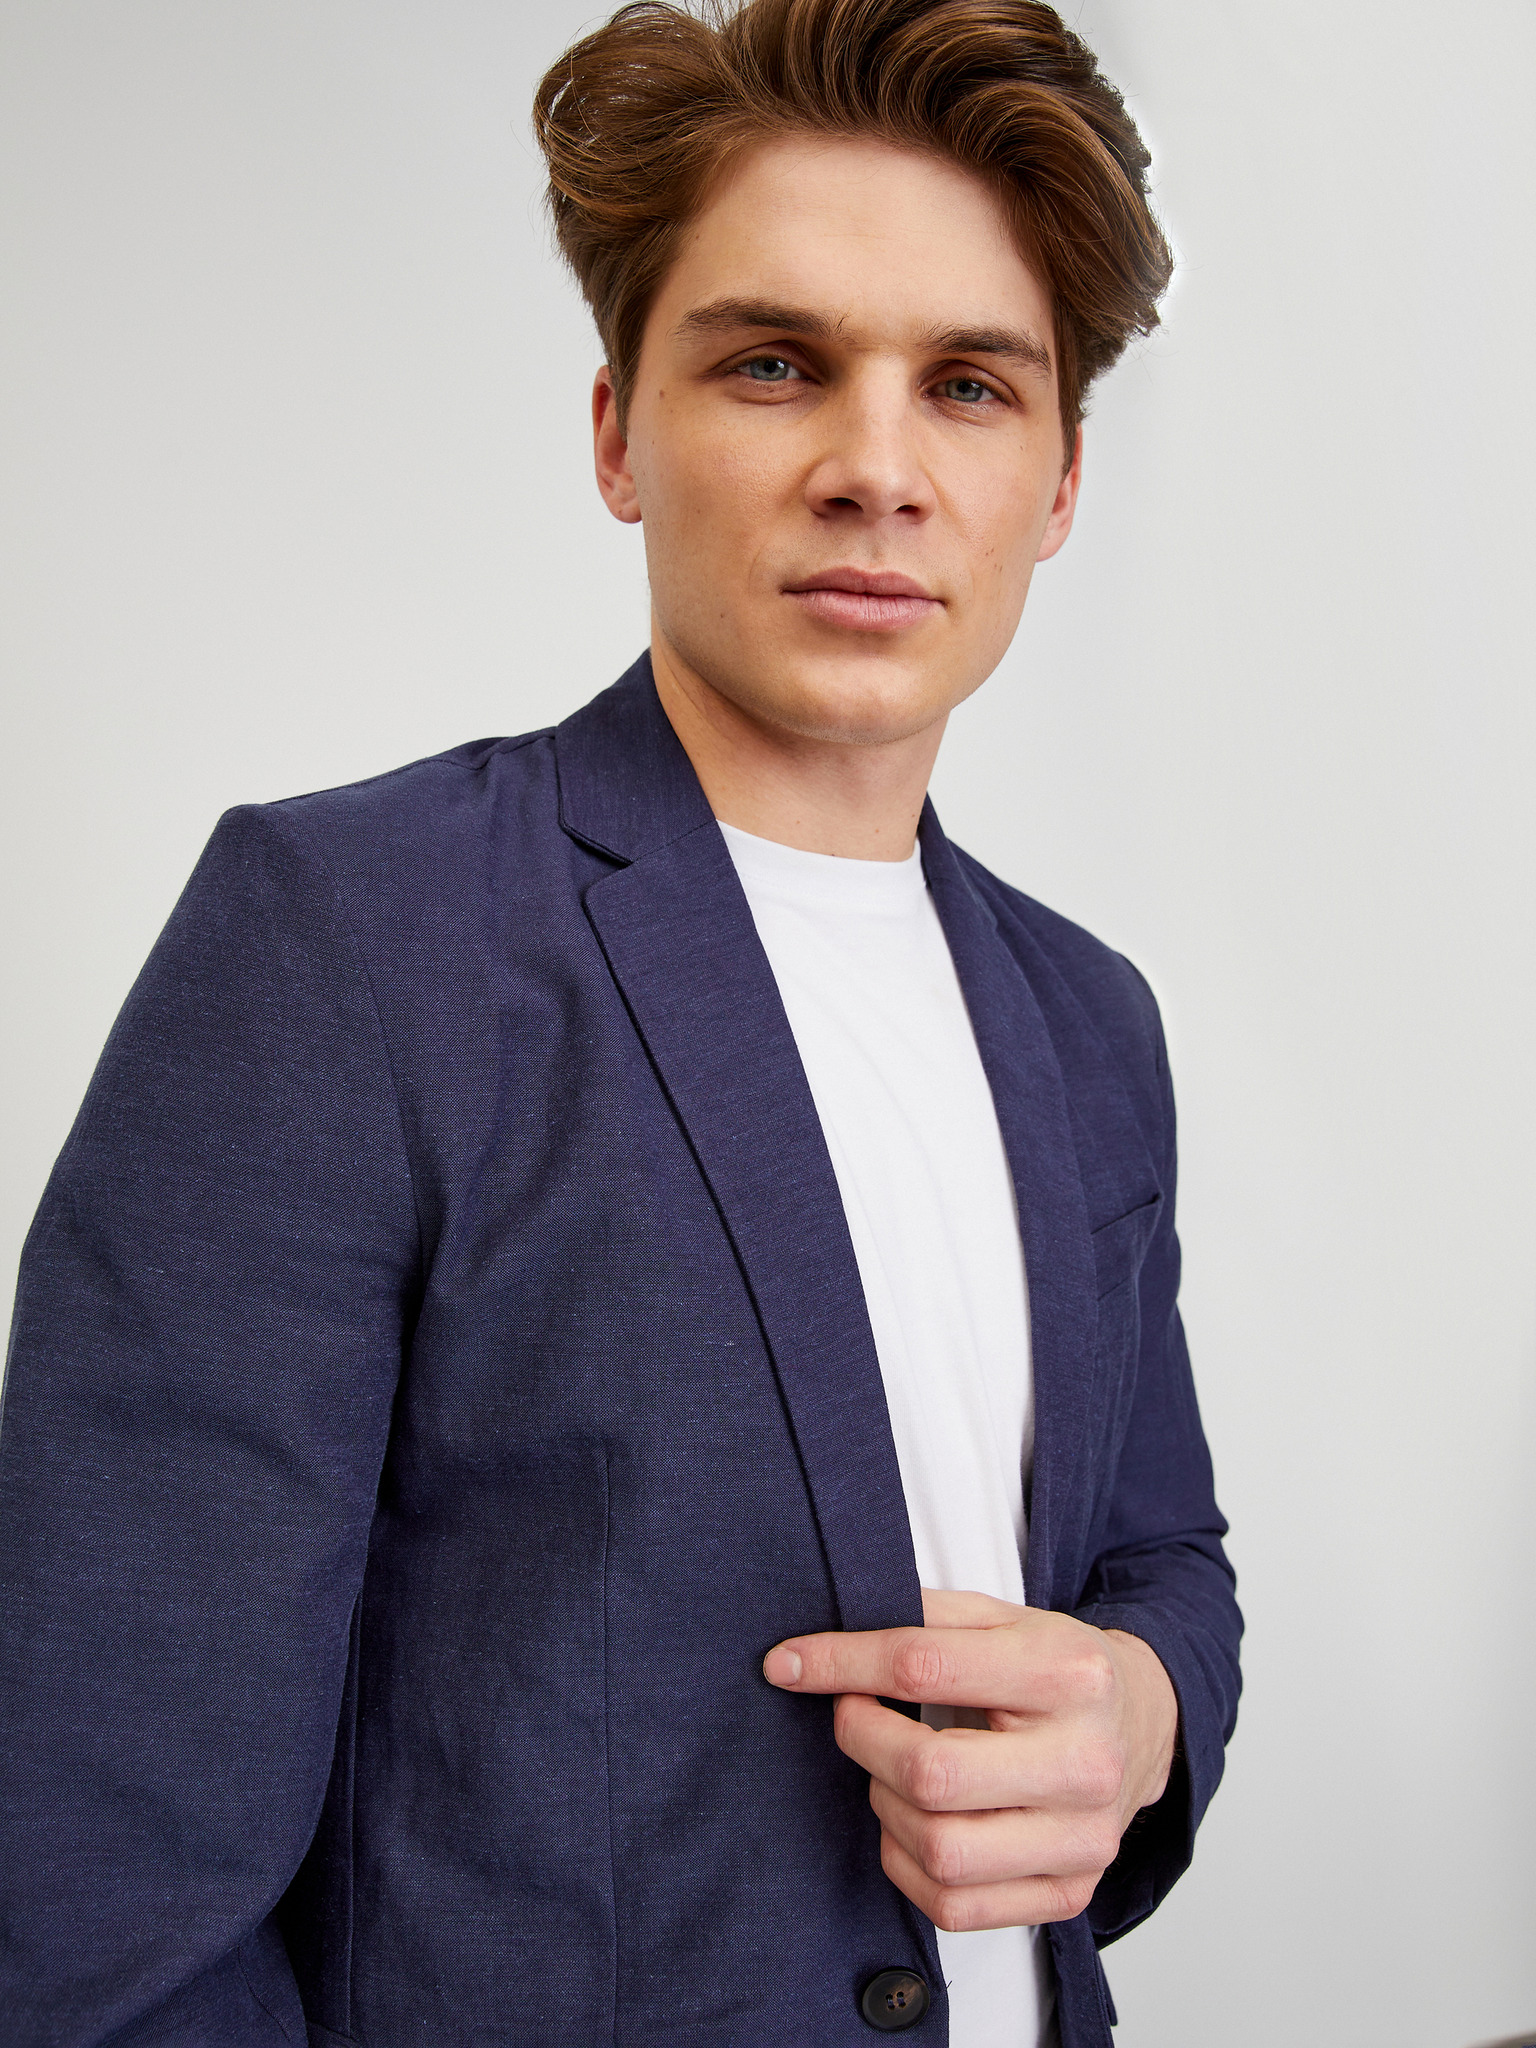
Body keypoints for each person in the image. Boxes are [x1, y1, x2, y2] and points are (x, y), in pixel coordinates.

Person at [0, 1, 1241, 2042]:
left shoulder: (1089, 1022)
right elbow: (103, 1886)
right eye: (774, 364)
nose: (875, 470)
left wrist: (1145, 1701)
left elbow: (1162, 1556)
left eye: (969, 386)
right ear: (616, 435)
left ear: (1059, 483)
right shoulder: (345, 937)